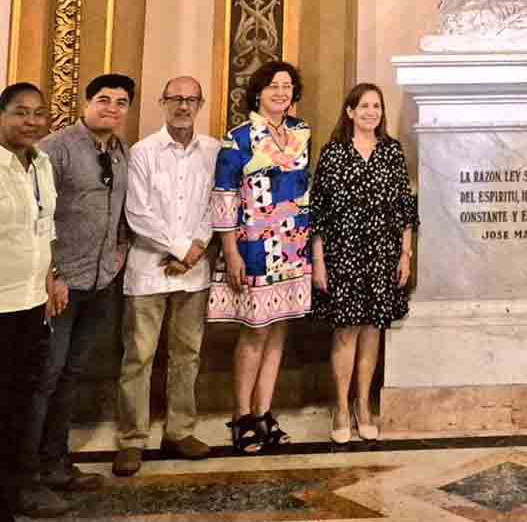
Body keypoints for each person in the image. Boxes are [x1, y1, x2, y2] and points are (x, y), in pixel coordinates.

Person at [23, 73, 134, 496]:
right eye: (103, 99)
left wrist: (119, 253)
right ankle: (26, 473)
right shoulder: (57, 149)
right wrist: (51, 275)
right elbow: (36, 216)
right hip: (59, 286)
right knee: (44, 378)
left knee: (71, 375)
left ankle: (56, 463)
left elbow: (124, 210)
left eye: (121, 102)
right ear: (87, 103)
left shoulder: (122, 151)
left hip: (100, 282)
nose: (112, 108)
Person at [112, 77, 220, 477]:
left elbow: (219, 204)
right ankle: (131, 440)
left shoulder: (213, 151)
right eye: (176, 98)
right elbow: (137, 213)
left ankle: (179, 430)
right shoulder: (143, 152)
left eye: (191, 99)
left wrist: (195, 251)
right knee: (138, 357)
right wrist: (181, 249)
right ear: (162, 102)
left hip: (193, 274)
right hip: (149, 270)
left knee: (187, 356)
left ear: (201, 104)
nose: (183, 106)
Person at [209, 61, 312, 454]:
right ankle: (241, 417)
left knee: (278, 330)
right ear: (258, 92)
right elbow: (223, 198)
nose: (281, 92)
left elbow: (303, 186)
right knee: (254, 332)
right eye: (273, 86)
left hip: (293, 244)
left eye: (287, 86)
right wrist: (231, 251)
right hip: (253, 245)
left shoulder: (301, 133)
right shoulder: (239, 139)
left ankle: (264, 412)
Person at [310, 83, 418, 443]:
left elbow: (405, 208)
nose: (372, 112)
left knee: (373, 332)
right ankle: (341, 407)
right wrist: (319, 260)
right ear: (350, 112)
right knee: (346, 332)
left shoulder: (392, 152)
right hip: (343, 255)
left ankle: (363, 405)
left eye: (377, 106)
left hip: (383, 254)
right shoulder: (334, 154)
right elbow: (320, 212)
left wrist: (406, 253)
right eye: (365, 106)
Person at [0, 84, 68, 520]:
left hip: (30, 302)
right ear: (2, 115)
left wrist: (51, 278)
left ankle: (12, 491)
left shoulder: (41, 163)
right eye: (20, 113)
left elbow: (44, 229)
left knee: (19, 404)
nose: (31, 121)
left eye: (39, 114)